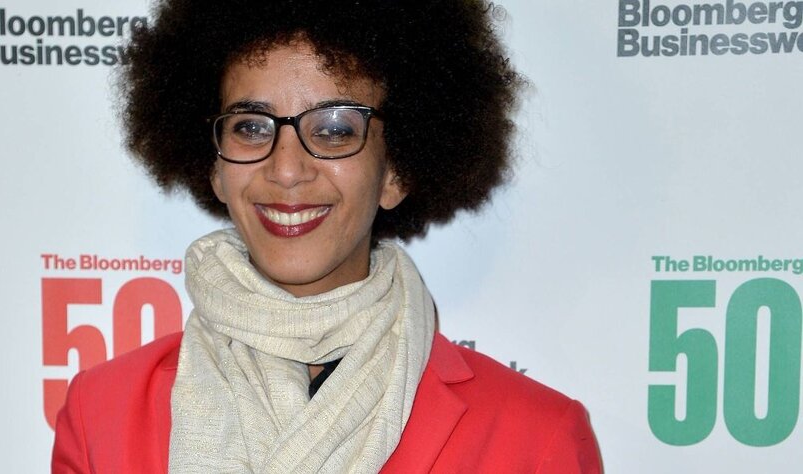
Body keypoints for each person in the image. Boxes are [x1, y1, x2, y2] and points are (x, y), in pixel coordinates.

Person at [52, 0, 603, 472]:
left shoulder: (535, 437)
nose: (287, 170)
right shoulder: (100, 414)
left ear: (396, 171)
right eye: (251, 127)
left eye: (335, 129)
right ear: (215, 167)